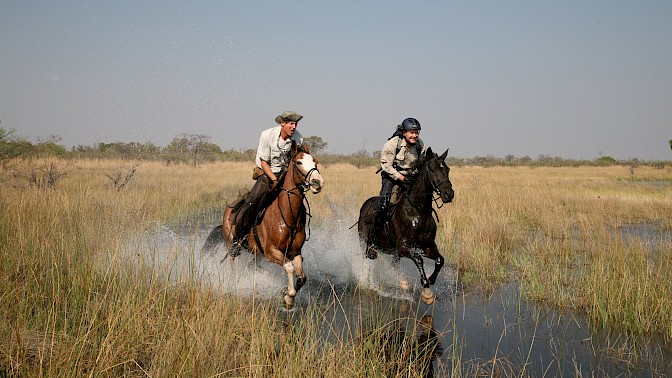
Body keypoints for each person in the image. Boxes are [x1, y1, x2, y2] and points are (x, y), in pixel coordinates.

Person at [231, 110, 304, 249]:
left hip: (286, 176)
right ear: (282, 123)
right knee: (252, 202)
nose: (294, 127)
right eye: (291, 124)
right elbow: (263, 162)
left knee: (300, 205)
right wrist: (273, 179)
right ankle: (238, 239)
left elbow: (299, 158)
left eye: (296, 124)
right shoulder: (267, 135)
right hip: (267, 173)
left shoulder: (298, 138)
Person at [368, 117, 425, 257]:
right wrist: (401, 178)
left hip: (410, 178)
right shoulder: (392, 144)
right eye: (412, 132)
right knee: (384, 205)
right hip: (392, 176)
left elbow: (421, 164)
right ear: (404, 132)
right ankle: (373, 243)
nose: (415, 135)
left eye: (417, 132)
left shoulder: (420, 145)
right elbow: (386, 166)